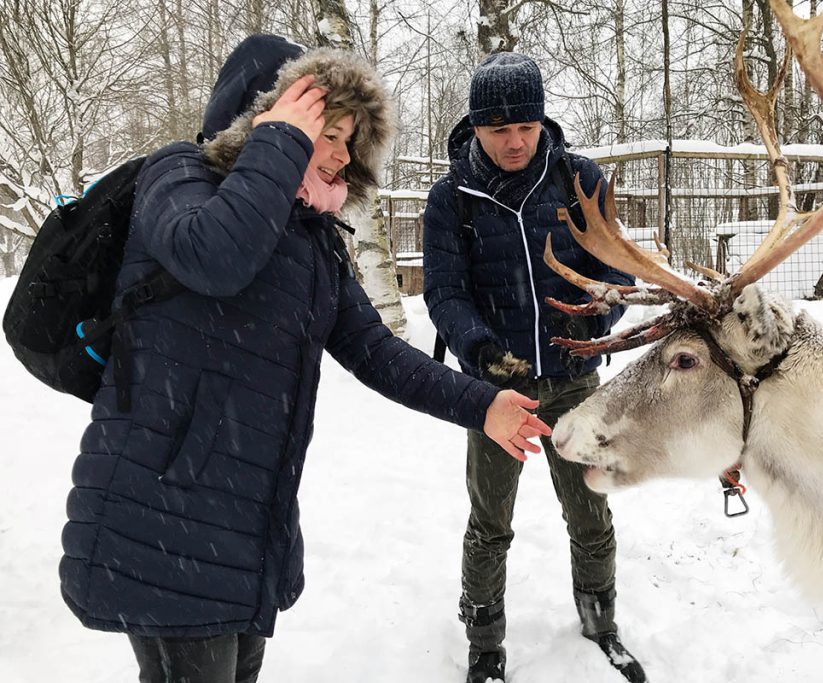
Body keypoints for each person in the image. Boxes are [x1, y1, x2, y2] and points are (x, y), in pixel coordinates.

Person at [58, 34, 551, 683]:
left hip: (246, 524)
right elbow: (216, 255)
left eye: (352, 140)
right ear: (264, 117)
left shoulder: (312, 241)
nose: (343, 153)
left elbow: (375, 350)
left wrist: (481, 402)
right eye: (326, 129)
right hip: (165, 519)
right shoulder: (178, 176)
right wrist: (280, 138)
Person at [423, 52, 646, 683]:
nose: (514, 142)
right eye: (498, 131)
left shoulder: (579, 179)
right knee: (490, 521)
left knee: (590, 509)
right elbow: (444, 291)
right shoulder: (451, 200)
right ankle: (484, 637)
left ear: (542, 119)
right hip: (498, 393)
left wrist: (595, 314)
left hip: (576, 382)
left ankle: (601, 620)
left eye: (525, 127)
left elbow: (616, 265)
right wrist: (477, 345)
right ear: (475, 128)